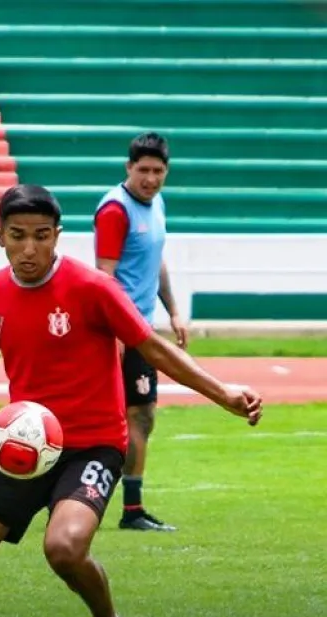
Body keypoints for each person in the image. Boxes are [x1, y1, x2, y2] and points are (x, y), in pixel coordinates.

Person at [0, 185, 262, 617]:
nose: (30, 248)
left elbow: (151, 346)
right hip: (26, 444)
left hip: (94, 445)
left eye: (41, 236)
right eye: (18, 237)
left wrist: (222, 392)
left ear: (58, 237)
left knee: (63, 548)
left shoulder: (92, 287)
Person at [94, 132, 187, 532]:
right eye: (143, 170)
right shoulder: (116, 210)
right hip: (123, 330)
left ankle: (129, 508)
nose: (150, 178)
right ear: (128, 167)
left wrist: (175, 311)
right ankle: (122, 508)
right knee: (130, 415)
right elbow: (105, 277)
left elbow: (156, 262)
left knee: (141, 415)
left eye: (158, 171)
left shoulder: (156, 203)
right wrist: (115, 333)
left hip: (142, 328)